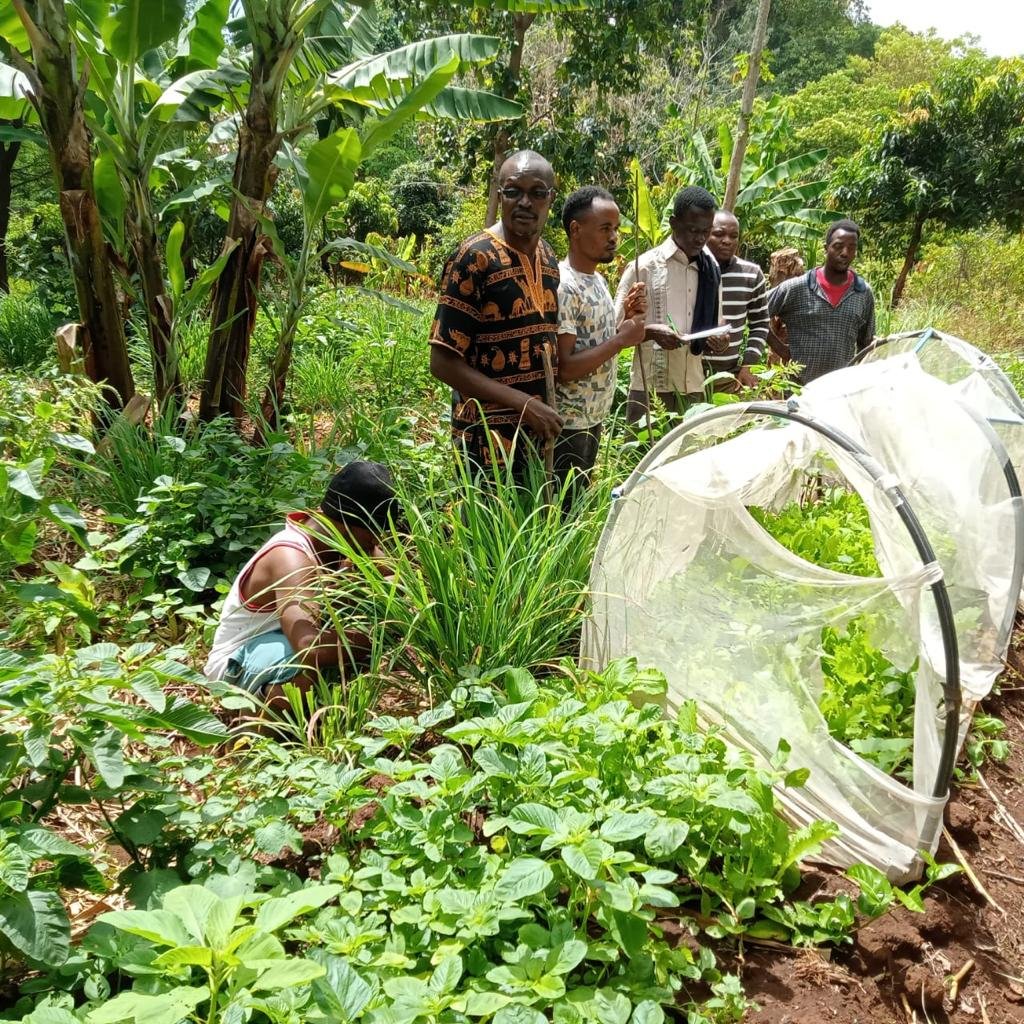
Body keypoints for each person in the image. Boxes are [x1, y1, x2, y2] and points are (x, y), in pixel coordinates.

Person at [204, 461, 402, 707]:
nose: (376, 540)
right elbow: (309, 646)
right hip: (236, 662)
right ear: (349, 523)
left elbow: (396, 581)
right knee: (303, 669)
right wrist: (383, 637)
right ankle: (256, 724)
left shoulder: (342, 539)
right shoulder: (291, 556)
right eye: (373, 531)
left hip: (279, 646)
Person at [429, 150, 562, 481]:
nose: (525, 203)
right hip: (484, 438)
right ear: (499, 194)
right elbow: (442, 361)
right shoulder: (473, 258)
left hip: (535, 435)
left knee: (532, 527)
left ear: (551, 198)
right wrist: (523, 404)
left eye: (537, 193)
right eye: (514, 191)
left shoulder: (548, 258)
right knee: (485, 531)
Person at [553, 186, 647, 503]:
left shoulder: (598, 280)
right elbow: (565, 367)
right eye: (605, 228)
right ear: (576, 230)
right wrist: (623, 339)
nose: (613, 237)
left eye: (616, 229)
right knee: (563, 512)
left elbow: (598, 342)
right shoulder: (565, 286)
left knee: (577, 505)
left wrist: (627, 321)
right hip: (569, 425)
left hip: (593, 417)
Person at [614, 186, 730, 421]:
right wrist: (650, 332)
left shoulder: (711, 270)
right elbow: (614, 329)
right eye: (692, 230)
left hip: (694, 388)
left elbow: (716, 323)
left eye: (706, 232)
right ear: (674, 223)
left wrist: (719, 340)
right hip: (650, 388)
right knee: (645, 454)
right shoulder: (644, 267)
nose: (699, 238)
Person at [768, 219, 876, 383]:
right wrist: (780, 349)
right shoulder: (797, 288)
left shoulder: (863, 293)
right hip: (799, 390)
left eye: (852, 247)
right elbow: (755, 311)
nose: (845, 252)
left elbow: (866, 344)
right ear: (826, 249)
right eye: (838, 246)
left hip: (841, 391)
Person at [706, 210, 769, 389]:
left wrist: (748, 366)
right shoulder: (692, 271)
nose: (727, 241)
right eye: (719, 234)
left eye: (734, 236)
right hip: (690, 374)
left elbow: (760, 324)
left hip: (728, 377)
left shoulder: (751, 274)